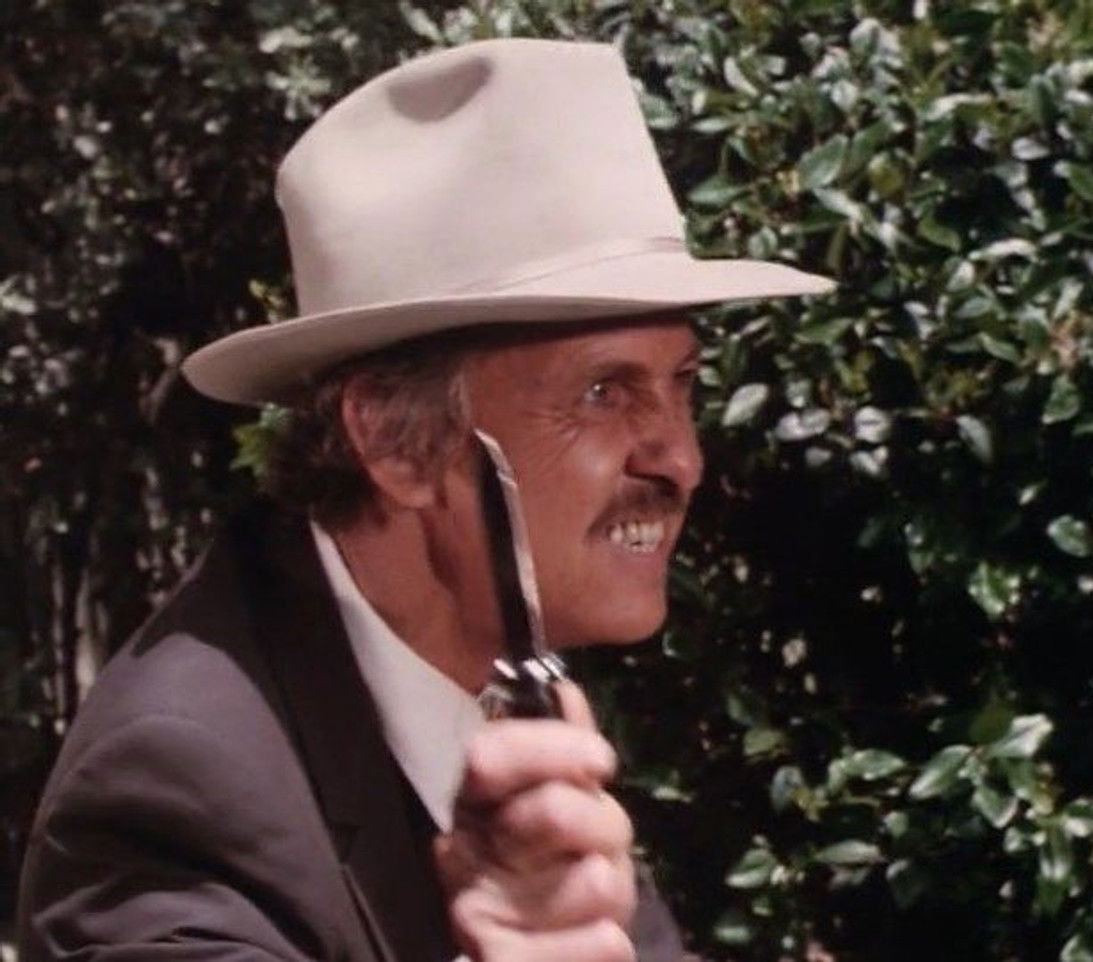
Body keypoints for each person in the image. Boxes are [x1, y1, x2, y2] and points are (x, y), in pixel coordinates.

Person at [18, 38, 832, 962]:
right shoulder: (178, 786)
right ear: (393, 442)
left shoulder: (504, 680)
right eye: (604, 392)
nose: (681, 459)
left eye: (683, 383)